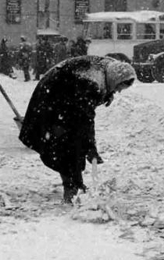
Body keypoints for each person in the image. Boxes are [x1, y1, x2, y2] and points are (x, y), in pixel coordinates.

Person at [19, 56, 136, 203]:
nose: (118, 91)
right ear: (114, 79)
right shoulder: (90, 84)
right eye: (118, 87)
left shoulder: (110, 68)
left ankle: (75, 182)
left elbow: (84, 113)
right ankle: (71, 188)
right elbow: (85, 120)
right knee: (67, 146)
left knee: (74, 142)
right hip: (51, 101)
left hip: (65, 98)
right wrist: (91, 148)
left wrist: (108, 93)